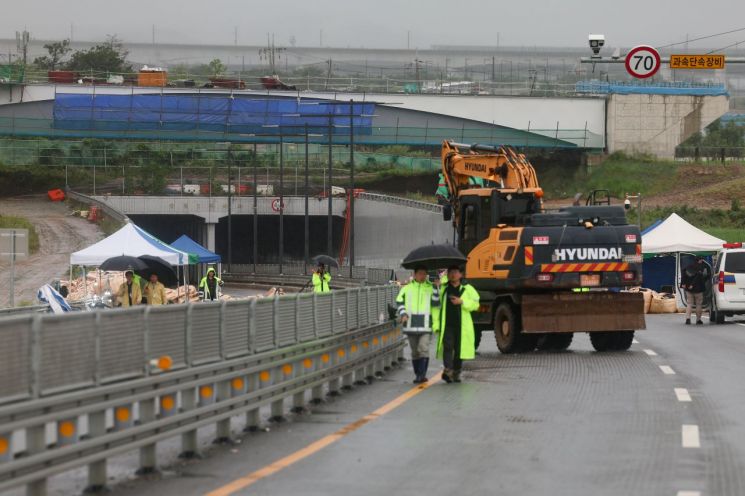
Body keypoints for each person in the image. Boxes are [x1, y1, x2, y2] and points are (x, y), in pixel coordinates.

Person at [432, 265, 480, 383]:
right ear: (447, 275)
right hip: (447, 325)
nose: (453, 274)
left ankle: (457, 372)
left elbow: (476, 304)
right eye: (451, 272)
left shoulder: (467, 289)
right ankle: (448, 370)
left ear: (461, 275)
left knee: (459, 350)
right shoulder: (443, 289)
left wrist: (462, 301)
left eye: (455, 272)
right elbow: (436, 307)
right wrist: (436, 325)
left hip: (462, 326)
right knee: (448, 347)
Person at [396, 266, 439, 383]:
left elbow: (436, 303)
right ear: (414, 275)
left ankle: (422, 375)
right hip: (410, 324)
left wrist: (436, 287)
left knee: (423, 349)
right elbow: (399, 301)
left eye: (424, 274)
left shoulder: (430, 287)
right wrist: (403, 313)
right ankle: (418, 374)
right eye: (420, 274)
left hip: (425, 324)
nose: (422, 276)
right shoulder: (407, 288)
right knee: (415, 352)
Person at [681, 256, 709, 325]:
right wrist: (693, 285)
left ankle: (688, 319)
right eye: (701, 260)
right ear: (699, 260)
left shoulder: (688, 266)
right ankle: (698, 320)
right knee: (698, 304)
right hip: (698, 290)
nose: (702, 261)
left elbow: (683, 275)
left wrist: (683, 283)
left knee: (689, 303)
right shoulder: (701, 268)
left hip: (688, 289)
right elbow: (702, 277)